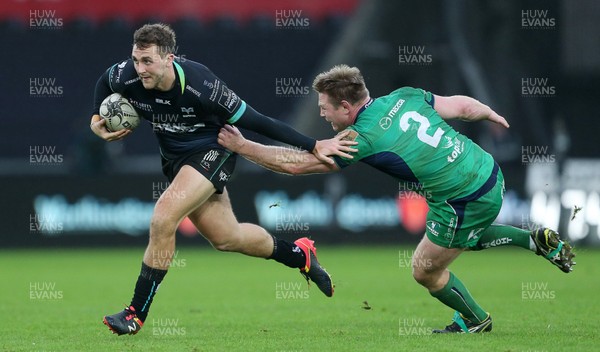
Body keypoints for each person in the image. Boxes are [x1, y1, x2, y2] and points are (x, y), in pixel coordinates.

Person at [217, 64, 576, 333]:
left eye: (325, 107)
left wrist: (243, 146)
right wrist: (490, 113)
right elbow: (461, 107)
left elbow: (296, 166)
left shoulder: (360, 137)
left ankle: (476, 320)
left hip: (460, 200)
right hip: (488, 171)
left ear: (345, 106)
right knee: (463, 237)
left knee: (425, 270)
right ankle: (534, 241)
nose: (322, 113)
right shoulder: (404, 95)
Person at [90, 23, 355, 336]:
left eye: (147, 61)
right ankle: (300, 255)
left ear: (169, 59)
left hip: (213, 150)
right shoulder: (126, 76)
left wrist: (313, 144)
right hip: (176, 160)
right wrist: (97, 121)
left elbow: (258, 121)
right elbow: (103, 84)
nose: (140, 68)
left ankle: (135, 313)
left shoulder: (202, 86)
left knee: (163, 218)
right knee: (227, 238)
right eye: (136, 59)